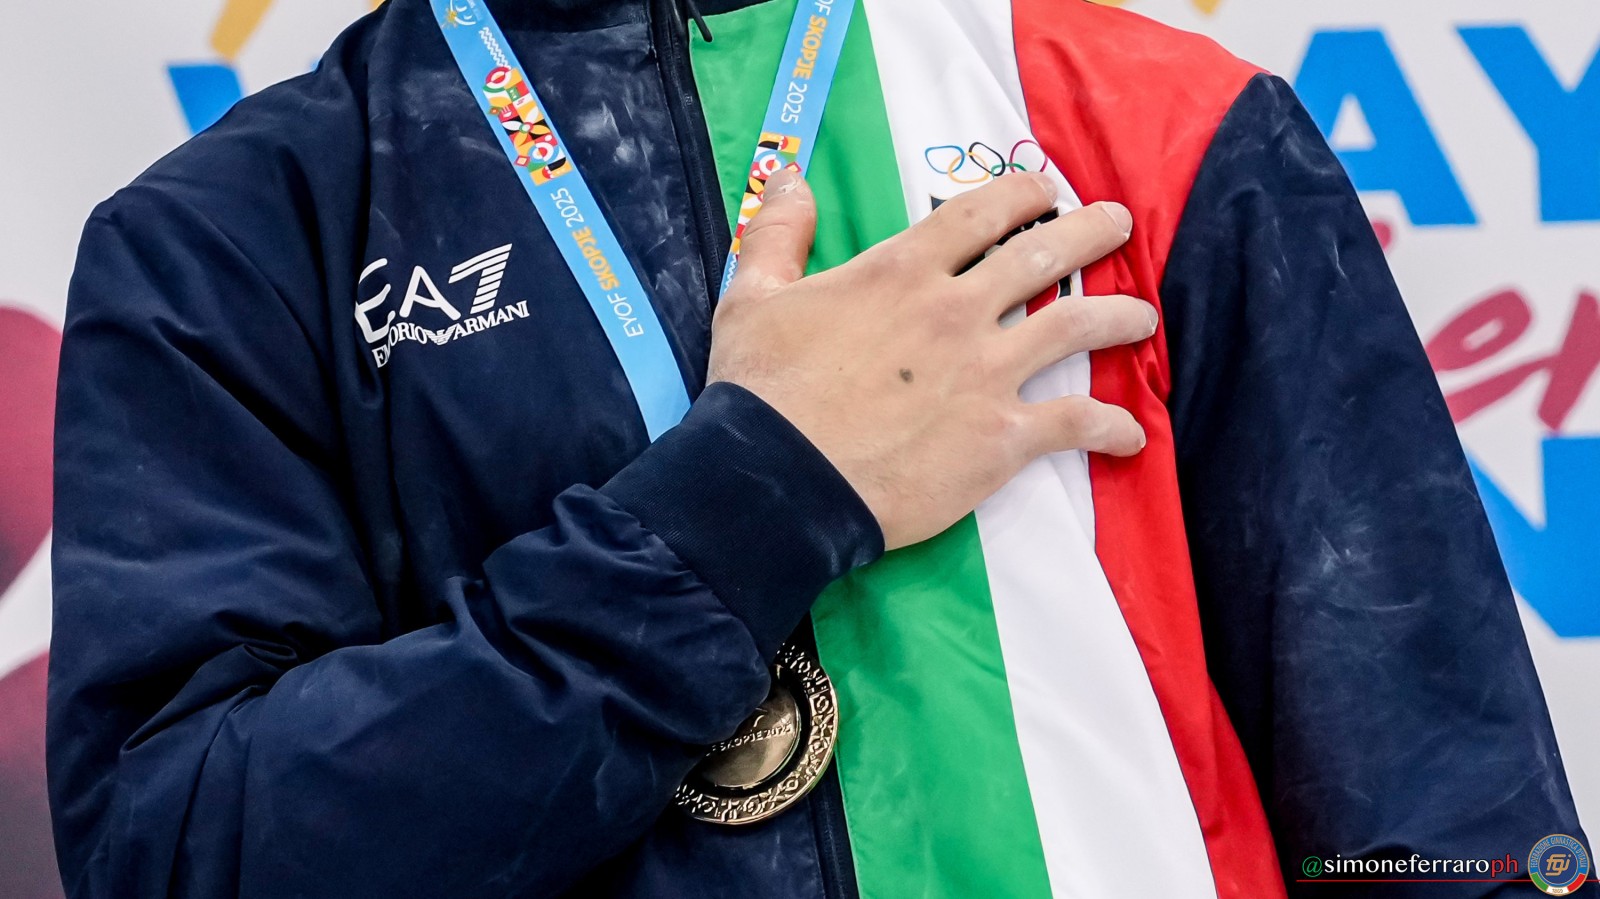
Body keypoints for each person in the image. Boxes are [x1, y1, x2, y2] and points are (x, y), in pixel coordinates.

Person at [48, 0, 1584, 896]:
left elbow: (1443, 842)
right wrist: (752, 496)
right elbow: (187, 857)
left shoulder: (1162, 126)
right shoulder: (229, 241)